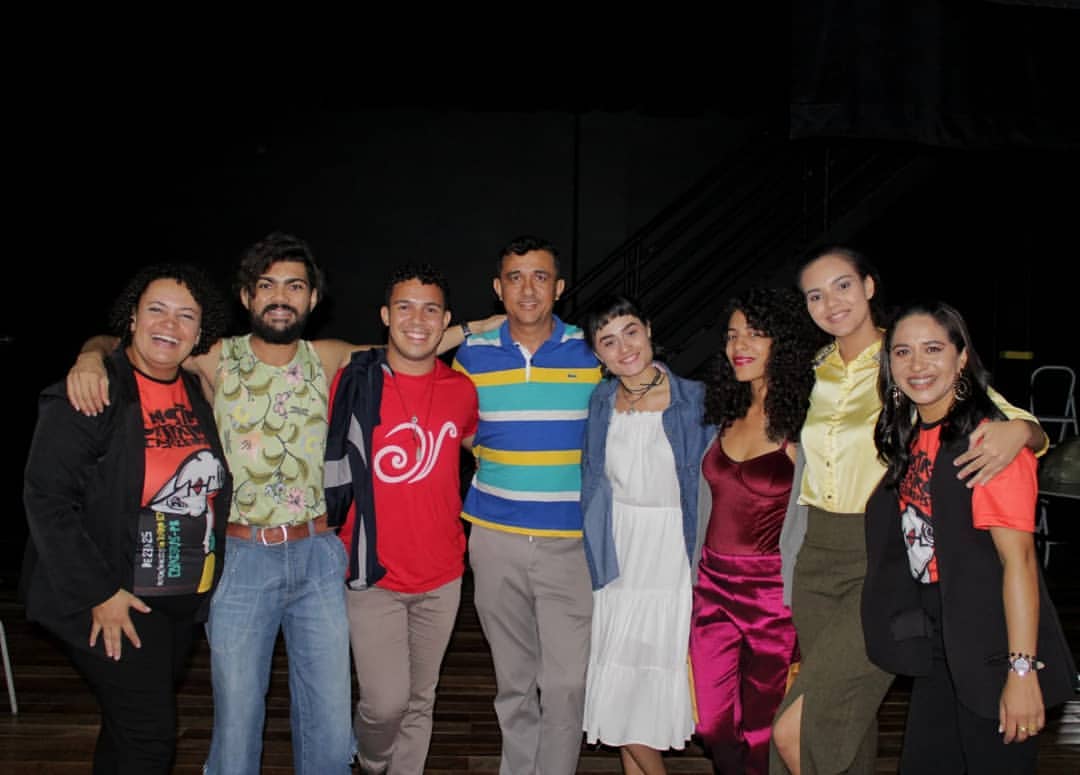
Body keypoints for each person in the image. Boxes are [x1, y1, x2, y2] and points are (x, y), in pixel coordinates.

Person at [63, 232, 502, 775]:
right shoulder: (216, 357)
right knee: (238, 719)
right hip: (241, 560)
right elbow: (133, 341)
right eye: (267, 285)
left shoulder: (329, 358)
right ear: (247, 296)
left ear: (312, 298)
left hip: (318, 556)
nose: (280, 296)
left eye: (294, 286)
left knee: (330, 725)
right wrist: (89, 356)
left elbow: (411, 343)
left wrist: (476, 328)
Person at [771, 245, 1049, 775]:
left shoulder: (906, 356)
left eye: (843, 285)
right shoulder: (814, 369)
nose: (831, 303)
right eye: (815, 295)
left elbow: (1003, 417)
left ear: (869, 286)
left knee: (799, 727)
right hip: (816, 556)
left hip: (880, 552)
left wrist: (1022, 431)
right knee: (844, 719)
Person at [22, 263, 231, 773]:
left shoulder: (195, 390)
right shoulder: (94, 390)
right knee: (150, 739)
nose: (170, 324)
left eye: (186, 316)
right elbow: (47, 499)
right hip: (113, 600)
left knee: (125, 731)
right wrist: (100, 593)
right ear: (132, 319)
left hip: (174, 601)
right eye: (156, 310)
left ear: (199, 333)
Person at [862, 299, 1076, 774]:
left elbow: (1019, 561)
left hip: (991, 644)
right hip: (940, 645)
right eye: (902, 352)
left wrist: (1021, 671)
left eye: (933, 349)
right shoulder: (912, 436)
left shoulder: (988, 444)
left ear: (961, 358)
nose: (917, 364)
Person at [451, 234, 603, 775]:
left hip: (572, 544)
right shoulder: (471, 355)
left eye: (540, 276)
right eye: (515, 277)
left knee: (566, 683)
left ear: (559, 288)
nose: (528, 289)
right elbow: (456, 424)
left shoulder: (592, 351)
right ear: (498, 288)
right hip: (495, 539)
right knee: (514, 682)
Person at [323, 263, 479, 774]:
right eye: (405, 307)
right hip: (372, 572)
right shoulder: (353, 380)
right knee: (385, 703)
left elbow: (486, 450)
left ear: (445, 320)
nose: (418, 319)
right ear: (386, 316)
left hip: (443, 573)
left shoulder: (461, 390)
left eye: (431, 309)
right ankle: (371, 761)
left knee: (421, 698)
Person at [687, 286, 822, 775]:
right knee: (712, 726)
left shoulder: (805, 424)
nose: (738, 345)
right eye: (731, 335)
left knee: (761, 731)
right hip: (710, 590)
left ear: (781, 343)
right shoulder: (719, 413)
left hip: (771, 598)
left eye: (755, 334)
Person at [578, 293, 713, 774]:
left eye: (630, 332)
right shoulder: (600, 401)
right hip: (617, 551)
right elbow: (593, 480)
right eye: (608, 341)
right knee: (621, 681)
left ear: (649, 329)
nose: (624, 348)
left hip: (671, 551)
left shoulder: (696, 399)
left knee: (645, 682)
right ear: (598, 355)